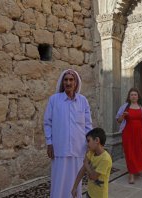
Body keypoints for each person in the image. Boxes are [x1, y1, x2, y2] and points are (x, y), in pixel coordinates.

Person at [44, 69, 93, 198]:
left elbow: (88, 124)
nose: (68, 82)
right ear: (62, 82)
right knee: (58, 180)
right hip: (60, 148)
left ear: (76, 83)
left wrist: (89, 143)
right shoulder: (54, 100)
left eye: (71, 80)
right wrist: (49, 143)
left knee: (76, 180)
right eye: (66, 80)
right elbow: (47, 123)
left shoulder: (83, 101)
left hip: (78, 148)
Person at [116, 88, 142, 184]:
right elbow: (119, 120)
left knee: (138, 152)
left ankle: (136, 169)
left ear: (138, 96)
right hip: (128, 134)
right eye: (131, 95)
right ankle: (131, 174)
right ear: (129, 96)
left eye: (135, 95)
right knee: (130, 153)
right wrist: (123, 116)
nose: (133, 96)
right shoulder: (125, 107)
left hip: (140, 134)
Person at [71, 128, 112, 198]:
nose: (87, 144)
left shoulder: (105, 159)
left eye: (88, 141)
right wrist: (74, 187)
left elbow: (93, 176)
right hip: (89, 193)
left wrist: (86, 163)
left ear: (97, 140)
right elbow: (82, 170)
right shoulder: (91, 153)